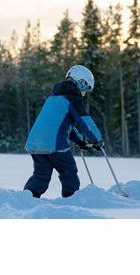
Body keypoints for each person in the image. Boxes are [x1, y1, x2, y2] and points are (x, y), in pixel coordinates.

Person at [24, 65, 104, 198]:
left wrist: (79, 141)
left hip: (35, 143)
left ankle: (28, 197)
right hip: (54, 144)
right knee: (69, 170)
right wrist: (97, 140)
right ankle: (71, 198)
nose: (84, 94)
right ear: (80, 82)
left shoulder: (53, 99)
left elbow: (64, 126)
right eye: (85, 89)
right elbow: (85, 123)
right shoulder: (73, 99)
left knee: (41, 174)